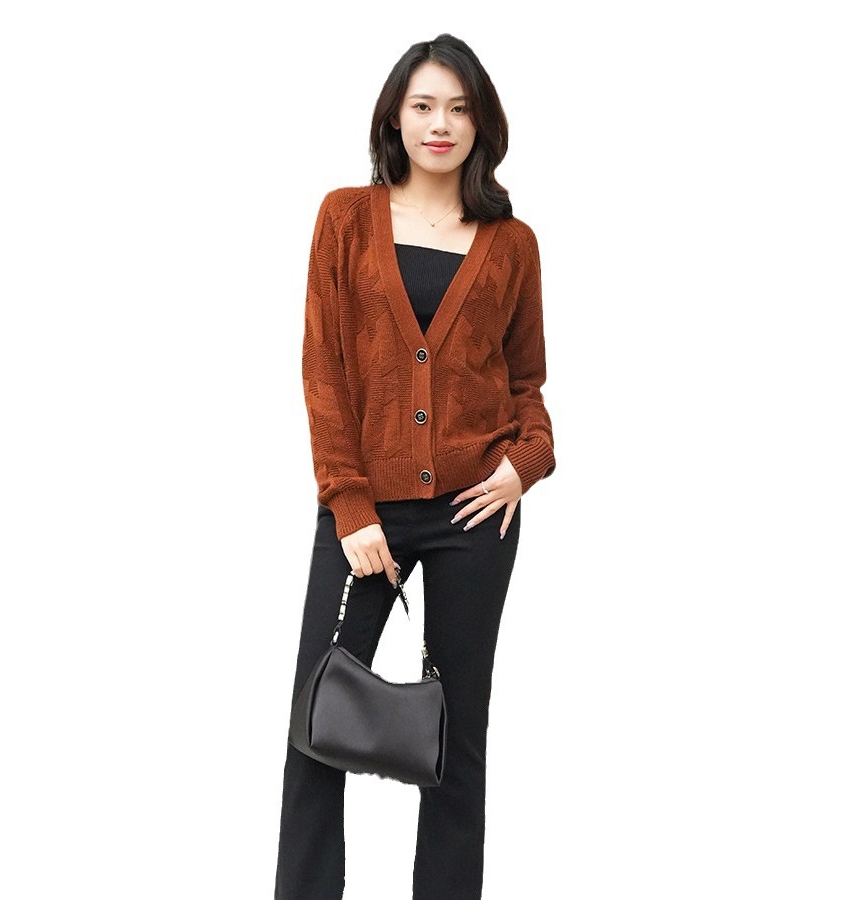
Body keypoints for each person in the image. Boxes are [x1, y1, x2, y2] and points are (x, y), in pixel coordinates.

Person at [274, 33, 556, 900]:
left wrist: (525, 464)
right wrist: (350, 505)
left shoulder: (512, 243)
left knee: (455, 735)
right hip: (367, 510)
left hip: (478, 512)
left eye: (460, 109)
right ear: (395, 117)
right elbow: (324, 371)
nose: (442, 124)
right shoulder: (344, 218)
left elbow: (526, 385)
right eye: (425, 105)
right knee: (317, 723)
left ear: (482, 124)